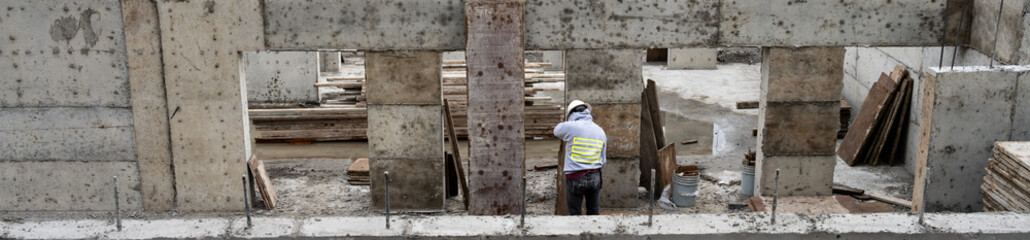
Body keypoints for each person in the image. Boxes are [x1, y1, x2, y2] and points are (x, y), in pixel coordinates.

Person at [553, 100, 607, 215]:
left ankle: (578, 232)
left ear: (571, 114)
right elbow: (603, 159)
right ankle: (593, 232)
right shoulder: (600, 130)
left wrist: (569, 120)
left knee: (575, 213)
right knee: (593, 211)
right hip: (595, 176)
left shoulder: (570, 126)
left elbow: (556, 131)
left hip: (575, 177)